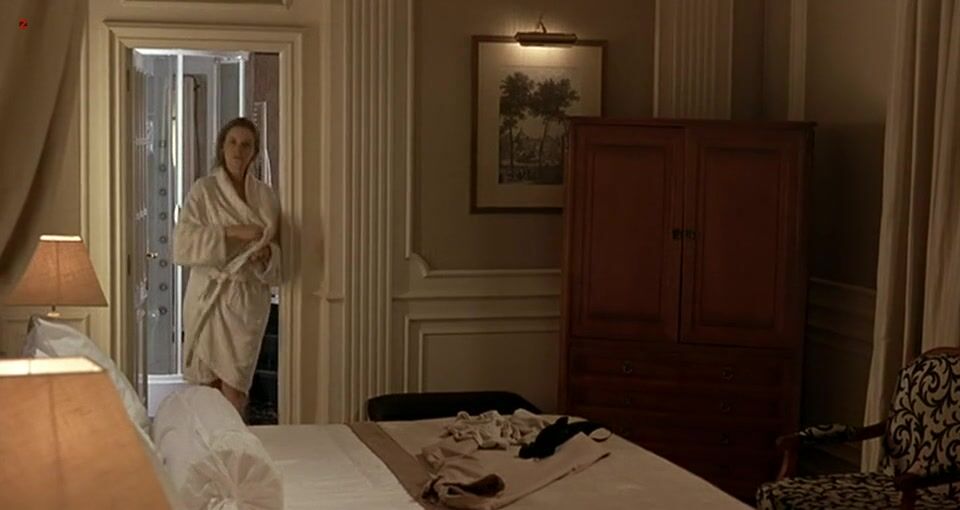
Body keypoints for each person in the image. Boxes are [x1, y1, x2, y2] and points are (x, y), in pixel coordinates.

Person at [173, 117, 281, 416]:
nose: (238, 150)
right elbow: (182, 244)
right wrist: (232, 232)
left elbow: (281, 255)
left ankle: (235, 443)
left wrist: (267, 255)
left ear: (254, 152)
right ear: (222, 147)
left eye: (246, 145)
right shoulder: (203, 191)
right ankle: (209, 444)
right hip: (210, 297)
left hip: (247, 301)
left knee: (236, 389)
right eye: (232, 142)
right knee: (207, 387)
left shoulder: (266, 197)